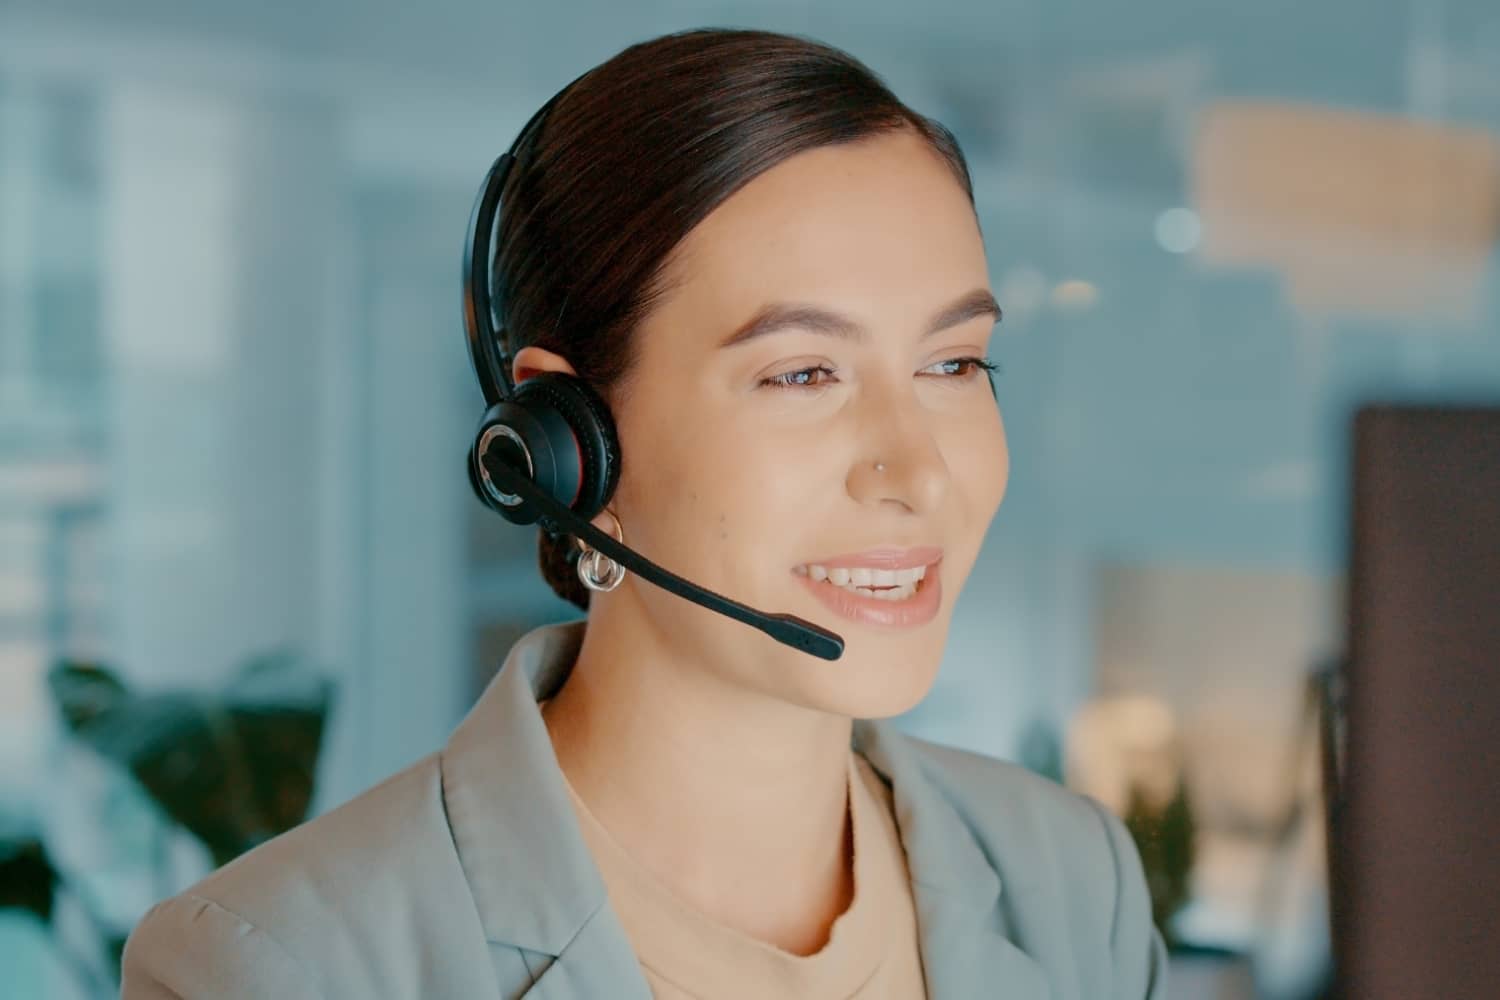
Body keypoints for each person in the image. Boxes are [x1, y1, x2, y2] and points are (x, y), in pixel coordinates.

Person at [120, 27, 1167, 999]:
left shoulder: (1072, 881)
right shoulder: (279, 966)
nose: (920, 470)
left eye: (954, 361)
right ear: (569, 448)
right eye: (803, 374)